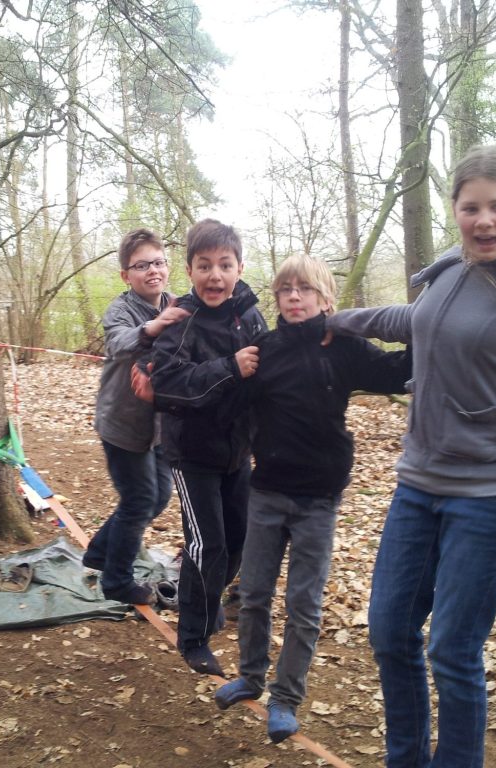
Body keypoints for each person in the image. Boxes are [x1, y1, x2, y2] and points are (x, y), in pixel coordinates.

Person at [324, 144, 496, 767]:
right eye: (471, 208)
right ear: (456, 211)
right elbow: (415, 319)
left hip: (492, 492)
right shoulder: (452, 271)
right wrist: (337, 321)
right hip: (420, 483)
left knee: (452, 650)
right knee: (389, 632)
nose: (484, 220)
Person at [213, 255, 411, 742]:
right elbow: (225, 399)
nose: (294, 297)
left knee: (304, 604)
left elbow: (395, 371)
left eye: (305, 290)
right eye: (286, 290)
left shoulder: (343, 347)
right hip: (267, 493)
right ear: (277, 298)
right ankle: (251, 678)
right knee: (255, 594)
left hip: (318, 500)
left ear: (326, 300)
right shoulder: (263, 349)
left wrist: (431, 325)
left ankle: (285, 698)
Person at [145, 219, 266, 676]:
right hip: (192, 453)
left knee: (239, 540)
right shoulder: (181, 320)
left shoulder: (250, 315)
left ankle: (211, 600)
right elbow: (168, 385)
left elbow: (267, 374)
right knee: (206, 545)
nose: (215, 276)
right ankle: (193, 636)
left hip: (239, 451)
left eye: (224, 265)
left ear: (238, 268)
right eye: (204, 266)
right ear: (191, 270)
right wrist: (230, 367)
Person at [84, 228, 189, 605]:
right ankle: (116, 580)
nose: (152, 271)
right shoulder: (121, 310)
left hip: (159, 426)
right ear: (125, 275)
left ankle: (99, 551)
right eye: (141, 266)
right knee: (139, 499)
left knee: (159, 497)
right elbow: (118, 342)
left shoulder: (177, 304)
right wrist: (153, 328)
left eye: (158, 263)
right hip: (122, 425)